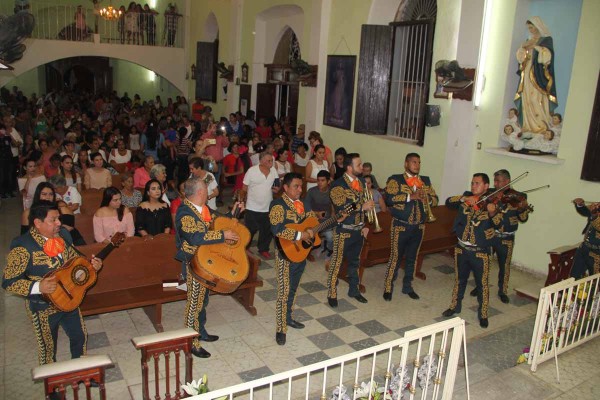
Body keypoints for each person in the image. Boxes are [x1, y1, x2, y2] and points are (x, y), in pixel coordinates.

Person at [3, 200, 102, 365]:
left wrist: (91, 266)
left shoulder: (62, 235)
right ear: (37, 223)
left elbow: (76, 261)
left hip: (69, 299)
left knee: (79, 337)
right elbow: (8, 282)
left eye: (58, 218)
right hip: (42, 306)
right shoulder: (23, 246)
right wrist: (37, 286)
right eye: (53, 220)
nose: (59, 223)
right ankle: (53, 388)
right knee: (48, 348)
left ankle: (80, 371)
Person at [174, 177, 241, 358]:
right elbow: (194, 238)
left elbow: (218, 219)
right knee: (194, 303)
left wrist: (232, 214)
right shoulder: (185, 213)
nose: (208, 190)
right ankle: (191, 343)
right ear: (200, 192)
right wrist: (222, 234)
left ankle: (200, 331)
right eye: (205, 188)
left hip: (206, 262)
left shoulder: (202, 209)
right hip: (192, 263)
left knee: (203, 300)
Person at [441, 173, 501, 328]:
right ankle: (455, 306)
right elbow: (448, 202)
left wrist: (492, 212)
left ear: (486, 187)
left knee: (482, 284)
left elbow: (499, 223)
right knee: (459, 279)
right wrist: (464, 199)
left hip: (480, 251)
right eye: (473, 183)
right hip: (461, 248)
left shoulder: (493, 203)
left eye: (478, 183)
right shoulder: (466, 198)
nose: (474, 186)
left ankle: (483, 313)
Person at [382, 153, 437, 302]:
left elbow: (435, 199)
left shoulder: (425, 181)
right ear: (406, 164)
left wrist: (429, 199)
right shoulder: (396, 179)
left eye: (419, 162)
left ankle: (408, 286)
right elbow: (388, 199)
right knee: (395, 257)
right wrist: (411, 197)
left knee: (413, 257)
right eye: (414, 162)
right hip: (400, 225)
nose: (417, 165)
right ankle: (388, 287)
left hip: (418, 226)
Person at [470, 170, 530, 303]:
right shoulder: (490, 193)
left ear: (507, 181)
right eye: (495, 181)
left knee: (505, 265)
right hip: (490, 235)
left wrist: (522, 209)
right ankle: (480, 286)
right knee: (484, 263)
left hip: (506, 237)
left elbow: (523, 218)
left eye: (499, 181)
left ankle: (502, 290)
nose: (496, 184)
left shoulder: (519, 197)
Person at [269, 172, 315, 345]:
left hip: (300, 253)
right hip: (284, 254)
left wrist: (313, 228)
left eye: (301, 186)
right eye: (295, 186)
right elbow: (277, 229)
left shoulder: (303, 203)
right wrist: (300, 234)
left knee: (294, 288)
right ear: (285, 187)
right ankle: (280, 328)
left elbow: (312, 222)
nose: (299, 189)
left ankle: (288, 317)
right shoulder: (278, 205)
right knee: (284, 291)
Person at [326, 153, 374, 306]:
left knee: (355, 262)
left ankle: (354, 289)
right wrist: (362, 207)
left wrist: (365, 223)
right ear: (349, 167)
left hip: (358, 229)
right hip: (343, 230)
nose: (362, 167)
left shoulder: (361, 181)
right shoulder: (337, 185)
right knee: (337, 262)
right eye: (358, 165)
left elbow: (365, 202)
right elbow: (342, 207)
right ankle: (332, 293)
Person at [514, 17, 557, 138]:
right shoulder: (528, 40)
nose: (531, 30)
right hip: (527, 72)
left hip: (538, 75)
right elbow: (520, 58)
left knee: (536, 99)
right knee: (526, 98)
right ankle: (527, 126)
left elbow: (548, 56)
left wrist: (535, 48)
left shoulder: (546, 40)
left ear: (538, 26)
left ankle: (541, 127)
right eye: (529, 28)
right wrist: (522, 48)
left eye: (532, 27)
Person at [243, 151, 280, 259]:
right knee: (250, 229)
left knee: (266, 230)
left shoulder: (273, 170)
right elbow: (244, 188)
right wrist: (242, 202)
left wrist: (277, 189)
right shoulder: (252, 171)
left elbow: (277, 184)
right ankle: (245, 246)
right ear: (261, 161)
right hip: (252, 206)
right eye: (268, 161)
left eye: (272, 160)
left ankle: (263, 249)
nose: (271, 163)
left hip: (267, 206)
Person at [304, 170, 334, 258]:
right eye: (318, 180)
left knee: (330, 238)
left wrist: (333, 215)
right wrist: (317, 213)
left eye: (322, 180)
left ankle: (327, 249)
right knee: (309, 237)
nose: (320, 183)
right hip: (312, 222)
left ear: (328, 181)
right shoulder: (312, 191)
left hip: (327, 222)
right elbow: (305, 207)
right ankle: (307, 253)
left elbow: (334, 206)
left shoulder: (333, 191)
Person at [570, 199, 600, 279]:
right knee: (574, 276)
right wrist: (580, 205)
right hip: (585, 248)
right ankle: (572, 290)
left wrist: (594, 214)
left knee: (594, 280)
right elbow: (586, 212)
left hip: (596, 254)